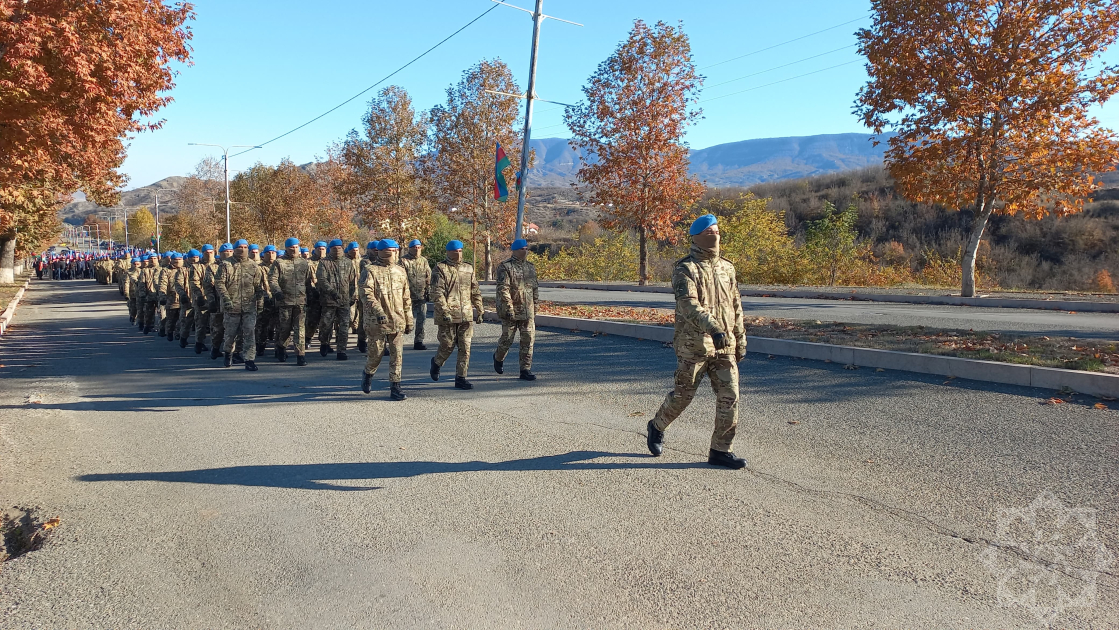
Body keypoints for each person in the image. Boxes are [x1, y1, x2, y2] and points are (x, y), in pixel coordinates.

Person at [646, 214, 748, 470]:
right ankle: (657, 426)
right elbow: (689, 306)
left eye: (717, 231)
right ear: (698, 237)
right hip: (694, 345)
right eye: (709, 232)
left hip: (724, 345)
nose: (715, 235)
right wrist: (714, 328)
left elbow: (736, 306)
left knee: (730, 397)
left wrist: (740, 338)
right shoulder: (685, 269)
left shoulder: (727, 268)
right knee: (683, 396)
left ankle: (721, 451)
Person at [359, 239, 412, 400]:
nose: (395, 254)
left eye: (396, 251)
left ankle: (395, 387)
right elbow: (366, 294)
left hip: (397, 320)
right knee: (376, 353)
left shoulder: (400, 271)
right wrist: (378, 312)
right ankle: (368, 373)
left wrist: (409, 319)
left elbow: (406, 297)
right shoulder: (371, 271)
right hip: (377, 322)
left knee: (397, 354)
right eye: (392, 251)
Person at [429, 240, 483, 390]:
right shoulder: (440, 269)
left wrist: (480, 308)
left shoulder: (468, 268)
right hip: (448, 316)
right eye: (455, 251)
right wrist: (444, 311)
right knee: (447, 345)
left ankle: (461, 378)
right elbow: (437, 292)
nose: (458, 254)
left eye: (460, 251)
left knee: (465, 347)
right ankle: (437, 362)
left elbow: (475, 290)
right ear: (448, 252)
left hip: (466, 314)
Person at [215, 239, 268, 371]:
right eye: (240, 247)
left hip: (249, 306)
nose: (242, 249)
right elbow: (219, 283)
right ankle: (228, 353)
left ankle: (249, 359)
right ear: (235, 249)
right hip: (232, 306)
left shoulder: (253, 266)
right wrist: (226, 299)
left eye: (245, 247)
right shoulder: (226, 265)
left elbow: (258, 286)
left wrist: (260, 303)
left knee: (249, 332)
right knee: (231, 334)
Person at [494, 238, 539, 381]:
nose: (524, 251)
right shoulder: (505, 267)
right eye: (521, 249)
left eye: (526, 249)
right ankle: (498, 357)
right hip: (511, 311)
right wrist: (509, 307)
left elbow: (534, 288)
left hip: (527, 310)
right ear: (514, 250)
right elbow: (503, 289)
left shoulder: (530, 267)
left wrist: (535, 304)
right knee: (507, 339)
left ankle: (525, 369)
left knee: (528, 340)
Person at [269, 237, 312, 366]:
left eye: (296, 247)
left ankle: (300, 355)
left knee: (300, 329)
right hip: (285, 301)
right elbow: (272, 279)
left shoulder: (304, 263)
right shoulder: (279, 263)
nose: (294, 249)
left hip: (300, 301)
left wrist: (310, 293)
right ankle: (281, 347)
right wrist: (277, 292)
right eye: (291, 247)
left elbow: (308, 280)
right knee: (285, 328)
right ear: (286, 248)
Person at [316, 238, 357, 360]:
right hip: (329, 301)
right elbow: (322, 280)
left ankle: (341, 350)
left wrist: (352, 296)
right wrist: (332, 292)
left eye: (339, 248)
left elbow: (352, 281)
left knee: (344, 327)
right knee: (326, 325)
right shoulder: (324, 263)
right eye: (334, 248)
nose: (337, 250)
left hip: (344, 301)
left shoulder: (348, 262)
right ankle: (324, 342)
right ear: (330, 249)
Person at [400, 239, 431, 351]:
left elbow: (428, 276)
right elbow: (400, 278)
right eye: (414, 247)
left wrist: (429, 291)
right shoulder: (403, 261)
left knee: (421, 319)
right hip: (407, 297)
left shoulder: (424, 261)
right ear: (410, 248)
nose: (417, 250)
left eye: (419, 247)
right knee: (404, 319)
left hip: (421, 296)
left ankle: (418, 341)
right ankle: (398, 341)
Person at [207, 243, 233, 360]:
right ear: (220, 254)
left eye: (231, 251)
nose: (228, 254)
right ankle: (215, 348)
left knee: (233, 329)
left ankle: (233, 353)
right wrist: (211, 301)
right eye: (226, 252)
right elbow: (208, 286)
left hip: (234, 303)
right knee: (218, 329)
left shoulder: (237, 265)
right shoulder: (212, 267)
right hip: (218, 303)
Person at [305, 241, 328, 350]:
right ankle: (308, 338)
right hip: (313, 296)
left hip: (327, 296)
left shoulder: (328, 262)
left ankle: (325, 342)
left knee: (327, 321)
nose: (321, 251)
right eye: (319, 249)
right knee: (312, 320)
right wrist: (310, 294)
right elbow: (306, 281)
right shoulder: (308, 263)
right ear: (315, 249)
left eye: (323, 249)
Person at [162, 252, 185, 342]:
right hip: (172, 298)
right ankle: (170, 332)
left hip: (184, 298)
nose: (178, 261)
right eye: (175, 260)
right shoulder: (166, 271)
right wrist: (162, 296)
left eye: (179, 259)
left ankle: (178, 333)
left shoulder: (185, 269)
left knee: (182, 318)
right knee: (171, 319)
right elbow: (163, 284)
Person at [126, 257, 143, 324]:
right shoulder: (128, 272)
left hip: (141, 292)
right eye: (134, 264)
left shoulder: (143, 271)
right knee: (133, 307)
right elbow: (126, 283)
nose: (136, 266)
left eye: (137, 264)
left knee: (140, 307)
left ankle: (140, 320)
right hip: (132, 292)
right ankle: (132, 316)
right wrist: (126, 293)